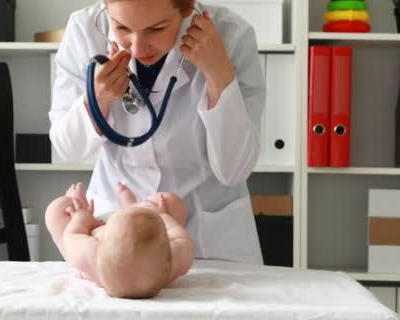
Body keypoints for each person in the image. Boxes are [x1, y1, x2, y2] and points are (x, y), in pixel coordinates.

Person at [49, 0, 266, 263]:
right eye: (121, 27)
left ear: (187, 10)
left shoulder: (233, 36)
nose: (138, 47)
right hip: (115, 236)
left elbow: (234, 170)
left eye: (156, 29)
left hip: (207, 241)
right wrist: (97, 99)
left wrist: (218, 73)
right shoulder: (85, 31)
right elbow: (67, 148)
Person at [45, 182, 194, 298]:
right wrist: (162, 215)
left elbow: (73, 235)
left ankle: (133, 208)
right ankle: (136, 207)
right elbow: (180, 237)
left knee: (58, 209)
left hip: (94, 229)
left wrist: (81, 216)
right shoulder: (169, 266)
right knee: (170, 201)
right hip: (131, 226)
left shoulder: (91, 256)